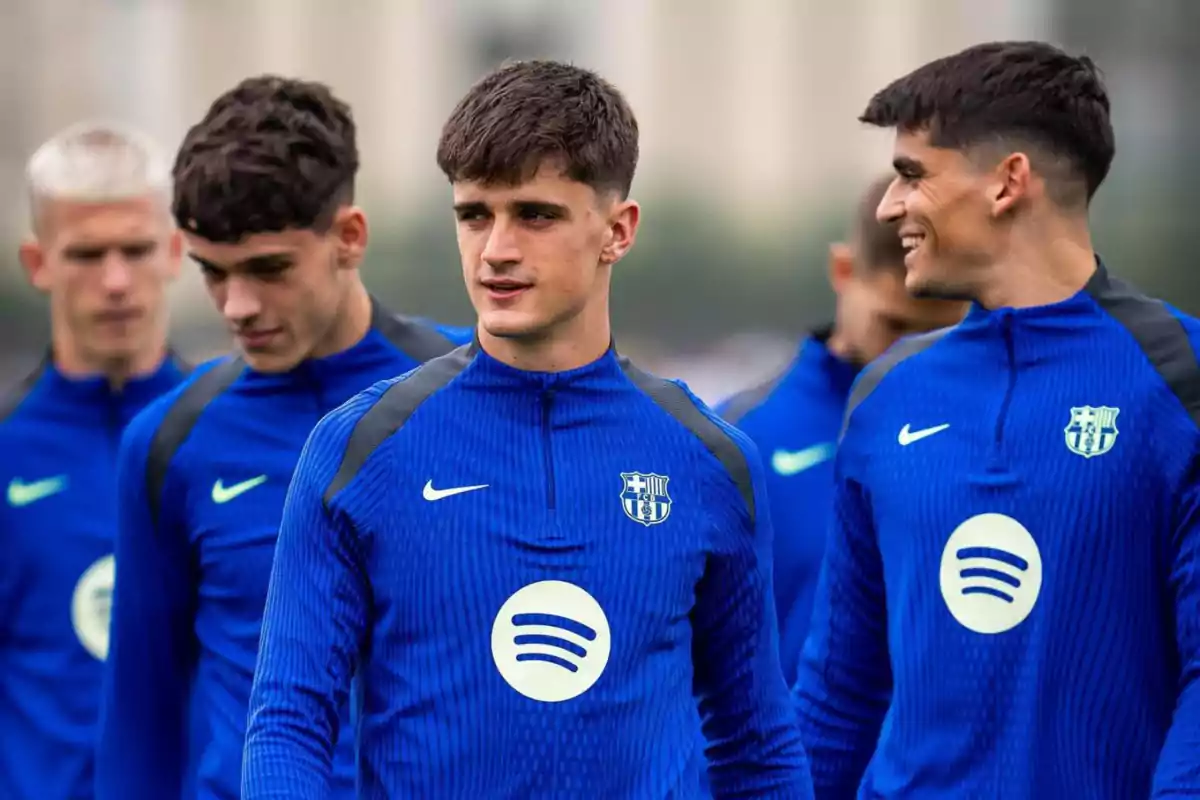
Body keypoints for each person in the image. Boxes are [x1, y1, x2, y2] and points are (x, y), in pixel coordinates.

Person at [241, 59, 814, 799]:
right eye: (474, 214)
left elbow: (757, 747)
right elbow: (287, 722)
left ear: (618, 230)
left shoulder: (708, 460)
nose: (496, 250)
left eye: (535, 215)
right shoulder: (359, 448)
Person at [793, 40, 1199, 798]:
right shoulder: (886, 395)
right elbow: (838, 693)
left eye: (913, 175)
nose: (888, 206)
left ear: (1008, 182)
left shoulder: (1180, 377)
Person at [94, 76, 470, 800]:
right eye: (213, 273)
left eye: (268, 269)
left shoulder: (480, 395)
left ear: (349, 238)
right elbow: (139, 727)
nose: (238, 305)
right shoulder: (170, 441)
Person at [0, 121, 188, 800]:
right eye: (86, 254)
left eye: (135, 249)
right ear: (38, 262)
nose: (115, 281)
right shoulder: (8, 448)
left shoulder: (232, 442)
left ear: (173, 251)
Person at [717, 175, 966, 684]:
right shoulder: (738, 440)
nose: (910, 359)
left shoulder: (991, 437)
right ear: (843, 271)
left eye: (936, 335)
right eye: (895, 327)